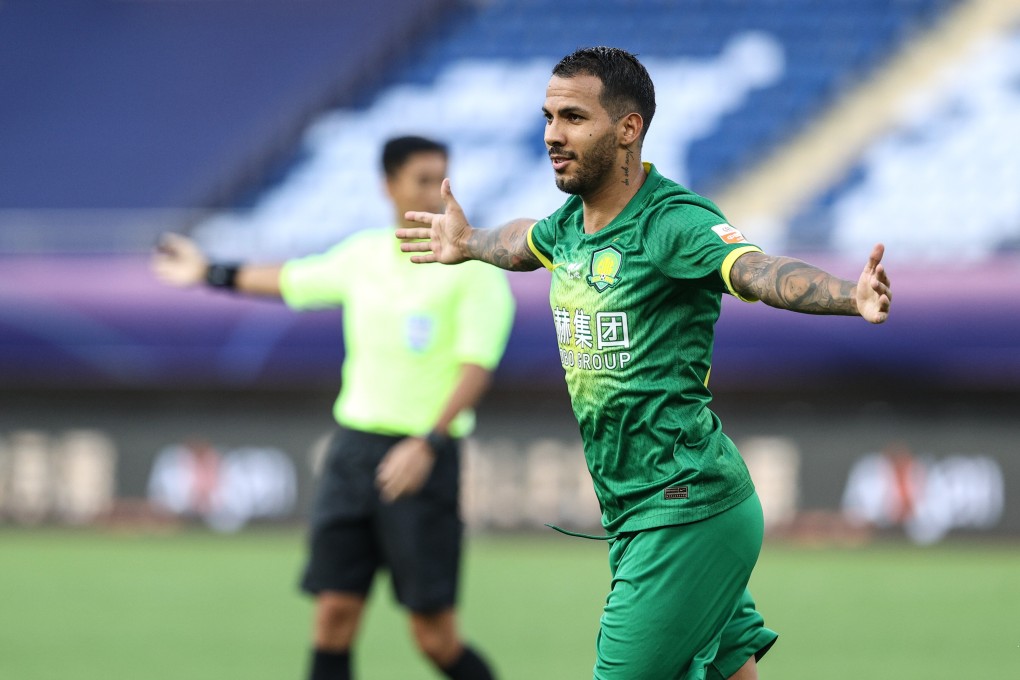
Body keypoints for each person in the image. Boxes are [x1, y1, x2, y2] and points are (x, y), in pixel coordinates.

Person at [396, 48, 892, 680]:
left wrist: (849, 296)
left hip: (685, 508)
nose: (553, 133)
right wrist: (467, 244)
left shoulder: (672, 223)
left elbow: (758, 271)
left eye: (573, 117)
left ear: (628, 129)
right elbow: (523, 243)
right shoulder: (572, 225)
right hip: (641, 511)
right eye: (548, 116)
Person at [152, 136, 514, 680]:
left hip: (422, 458)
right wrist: (210, 272)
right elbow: (292, 279)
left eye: (441, 179)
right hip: (353, 453)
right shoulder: (364, 255)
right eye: (420, 179)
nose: (434, 193)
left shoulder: (474, 270)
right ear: (388, 186)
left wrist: (428, 444)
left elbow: (475, 368)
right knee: (333, 618)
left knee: (434, 638)